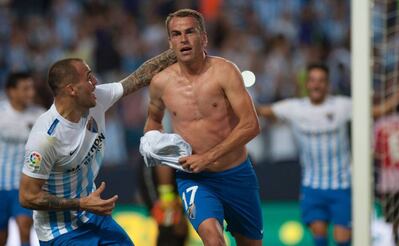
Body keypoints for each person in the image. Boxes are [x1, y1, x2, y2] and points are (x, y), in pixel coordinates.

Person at [18, 49, 177, 245]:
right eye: (88, 77)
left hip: (94, 217)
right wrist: (80, 203)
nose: (95, 82)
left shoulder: (97, 98)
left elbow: (140, 76)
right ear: (72, 90)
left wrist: (178, 51)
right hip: (60, 232)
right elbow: (27, 197)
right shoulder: (45, 138)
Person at [257, 64, 399, 246]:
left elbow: (378, 111)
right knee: (319, 235)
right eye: (313, 80)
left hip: (342, 185)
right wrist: (232, 97)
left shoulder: (342, 106)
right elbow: (262, 110)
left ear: (327, 84)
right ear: (307, 84)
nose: (317, 85)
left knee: (342, 239)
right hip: (312, 186)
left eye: (321, 81)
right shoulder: (294, 108)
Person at [144, 9, 262, 246]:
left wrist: (207, 157)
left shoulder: (225, 72)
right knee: (213, 239)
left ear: (204, 37)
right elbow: (154, 121)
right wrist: (151, 142)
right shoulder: (160, 83)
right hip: (194, 178)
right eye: (176, 34)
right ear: (170, 42)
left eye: (190, 32)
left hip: (236, 174)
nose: (183, 39)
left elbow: (251, 125)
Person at [0, 72, 45, 246]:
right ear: (11, 91)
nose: (31, 93)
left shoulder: (39, 115)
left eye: (32, 88)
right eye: (25, 88)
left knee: (25, 228)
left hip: (24, 185)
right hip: (0, 186)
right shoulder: (1, 114)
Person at [374, 100, 399, 246]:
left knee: (393, 219)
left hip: (388, 180)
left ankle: (395, 239)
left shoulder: (380, 125)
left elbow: (376, 151)